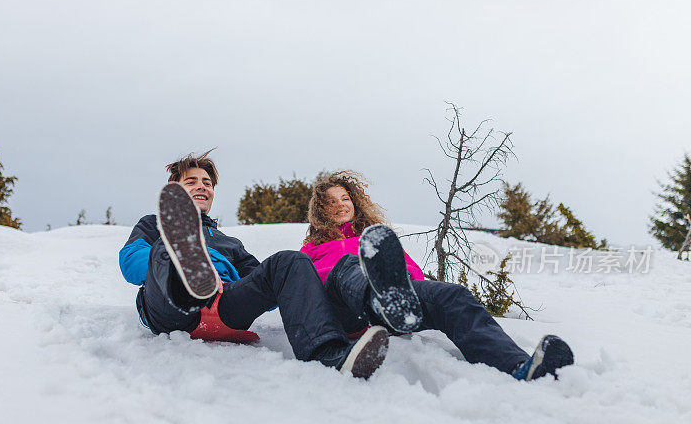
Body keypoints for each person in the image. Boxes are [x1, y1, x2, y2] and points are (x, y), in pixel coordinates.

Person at [118, 151, 389, 379]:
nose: (202, 186)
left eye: (207, 183)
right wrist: (179, 259)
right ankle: (187, 277)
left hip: (223, 305)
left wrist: (232, 286)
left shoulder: (229, 243)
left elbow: (263, 286)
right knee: (168, 246)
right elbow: (131, 263)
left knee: (291, 261)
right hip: (170, 307)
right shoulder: (153, 224)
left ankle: (328, 353)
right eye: (191, 181)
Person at [300, 170, 574, 380]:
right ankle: (382, 298)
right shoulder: (312, 248)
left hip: (395, 306)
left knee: (454, 295)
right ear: (320, 210)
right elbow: (299, 290)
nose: (340, 204)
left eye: (345, 198)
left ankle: (518, 367)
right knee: (349, 264)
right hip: (347, 309)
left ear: (355, 203)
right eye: (330, 201)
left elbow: (413, 274)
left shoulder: (376, 240)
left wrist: (419, 294)